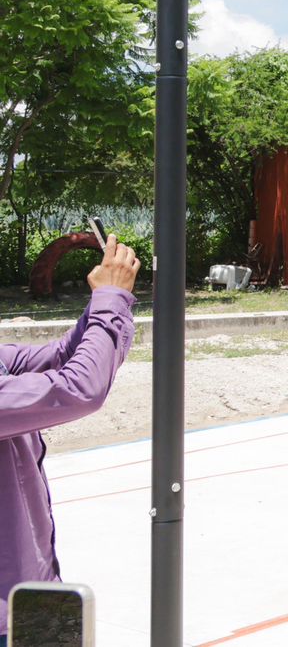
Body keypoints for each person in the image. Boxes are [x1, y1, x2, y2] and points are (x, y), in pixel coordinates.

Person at [1, 236, 139, 634]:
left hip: (35, 594)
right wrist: (111, 298)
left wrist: (107, 301)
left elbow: (62, 356)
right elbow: (78, 389)